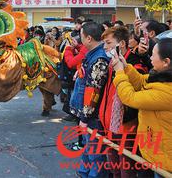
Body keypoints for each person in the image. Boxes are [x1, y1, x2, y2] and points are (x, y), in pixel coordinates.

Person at [111, 38, 172, 175]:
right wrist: (126, 67)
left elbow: (130, 98)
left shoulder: (167, 92)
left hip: (165, 162)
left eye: (153, 54)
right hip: (156, 152)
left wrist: (119, 73)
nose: (149, 57)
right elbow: (140, 82)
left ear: (166, 62)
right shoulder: (160, 76)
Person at [100, 26, 146, 178]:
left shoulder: (134, 63)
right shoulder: (111, 62)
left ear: (121, 44)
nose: (105, 47)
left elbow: (133, 94)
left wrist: (122, 69)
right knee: (114, 168)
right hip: (108, 124)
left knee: (126, 169)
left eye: (108, 43)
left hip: (126, 127)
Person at [69, 22, 110, 177]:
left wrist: (85, 117)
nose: (80, 40)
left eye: (81, 37)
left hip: (93, 115)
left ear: (89, 38)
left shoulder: (99, 59)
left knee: (95, 151)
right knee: (88, 146)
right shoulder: (92, 54)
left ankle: (95, 175)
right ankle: (84, 172)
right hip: (87, 113)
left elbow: (94, 92)